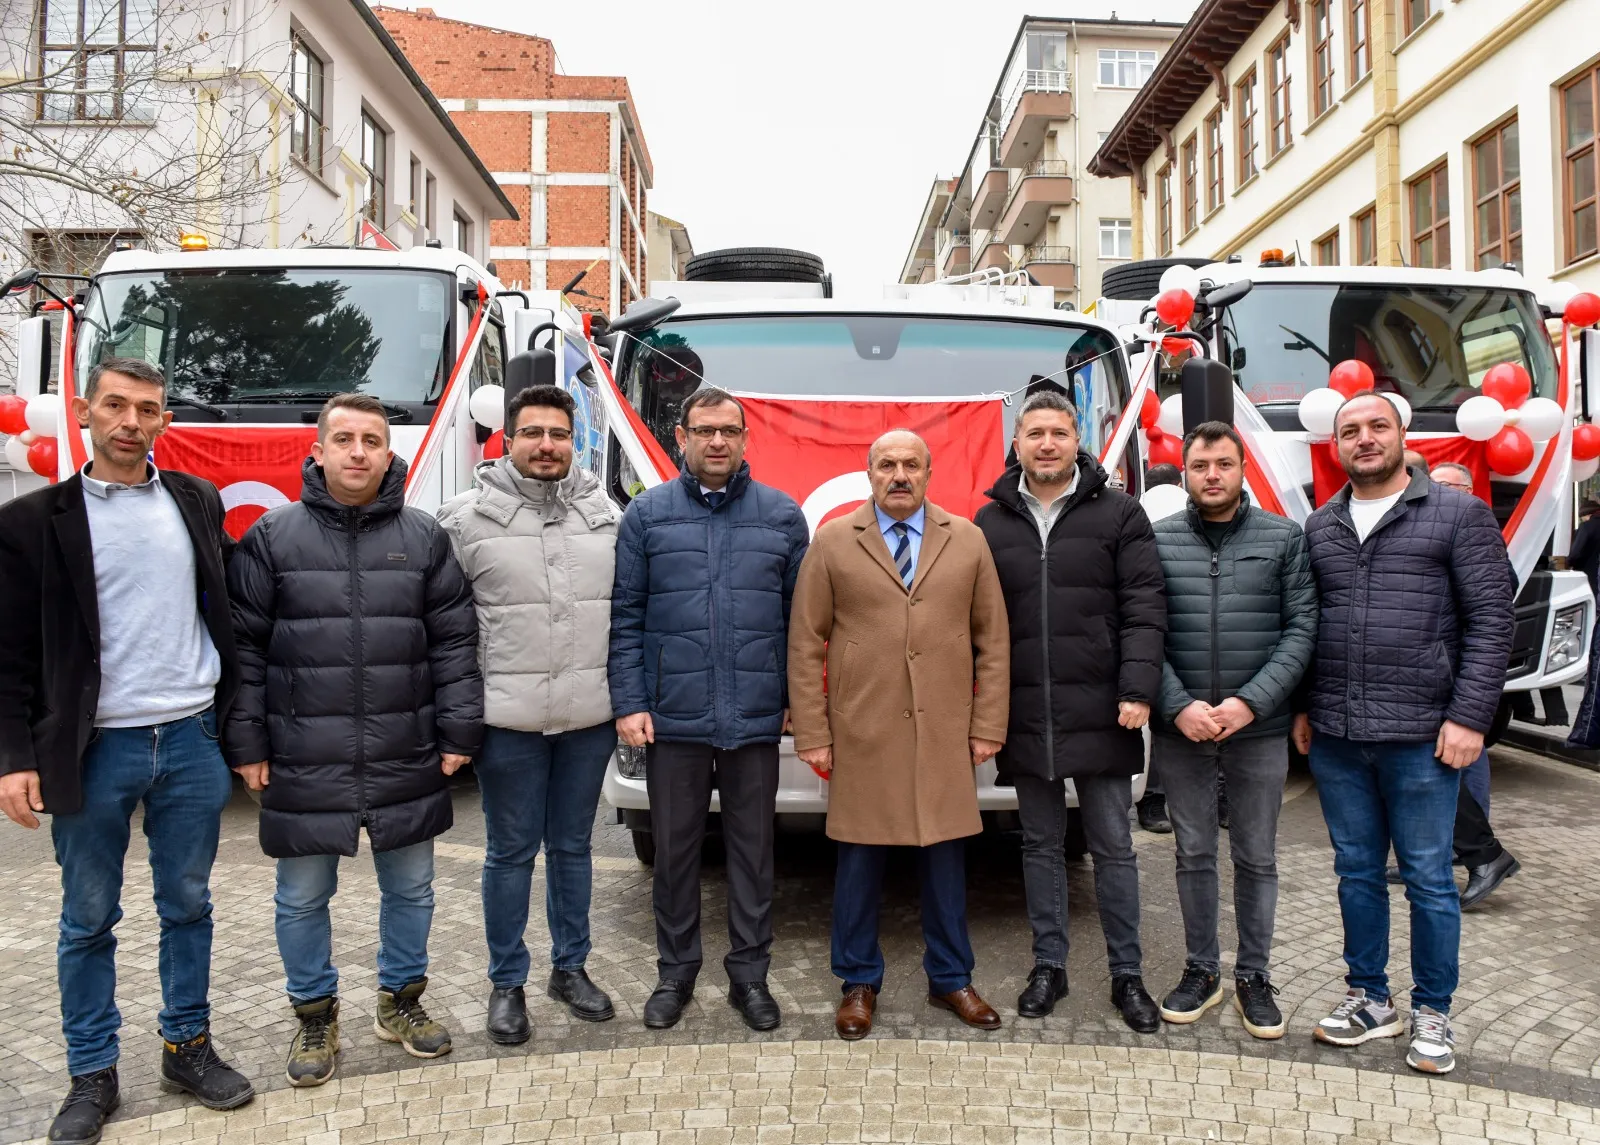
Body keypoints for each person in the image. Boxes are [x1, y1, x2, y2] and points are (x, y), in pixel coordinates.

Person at [0, 357, 255, 1143]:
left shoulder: (194, 500)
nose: (130, 421)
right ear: (85, 410)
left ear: (163, 420)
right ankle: (92, 1071)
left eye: (147, 409)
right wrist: (13, 756)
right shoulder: (33, 519)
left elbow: (226, 614)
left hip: (189, 740)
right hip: (92, 747)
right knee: (86, 917)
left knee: (188, 905)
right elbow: (9, 650)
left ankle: (187, 1046)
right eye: (115, 405)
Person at [226, 393, 482, 1086]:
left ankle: (400, 1002)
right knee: (302, 897)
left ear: (389, 453)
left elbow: (456, 640)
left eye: (372, 439)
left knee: (414, 889)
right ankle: (314, 1013)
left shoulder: (425, 537)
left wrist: (460, 727)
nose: (359, 451)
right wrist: (247, 740)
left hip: (407, 746)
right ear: (318, 451)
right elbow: (244, 650)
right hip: (305, 753)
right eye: (344, 439)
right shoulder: (273, 537)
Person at [1294, 392, 1513, 1075]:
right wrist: (1304, 704)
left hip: (1425, 736)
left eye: (1376, 426)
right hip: (1337, 734)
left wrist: (1471, 716)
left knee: (1427, 878)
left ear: (1402, 433)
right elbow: (1309, 623)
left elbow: (1492, 622)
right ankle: (1369, 998)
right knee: (1356, 872)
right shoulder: (1321, 526)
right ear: (1337, 446)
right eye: (1350, 430)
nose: (1364, 438)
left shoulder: (1457, 514)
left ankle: (1434, 1012)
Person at [790, 430, 1010, 1040]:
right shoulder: (835, 540)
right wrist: (813, 730)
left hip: (944, 731)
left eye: (911, 464)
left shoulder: (967, 539)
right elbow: (805, 644)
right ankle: (858, 981)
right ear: (869, 473)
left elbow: (993, 640)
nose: (899, 474)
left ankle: (951, 978)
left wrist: (988, 723)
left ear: (929, 472)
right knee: (859, 861)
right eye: (887, 464)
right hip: (862, 730)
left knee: (945, 859)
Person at [609, 387, 809, 1032]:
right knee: (675, 853)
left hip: (754, 715)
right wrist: (631, 700)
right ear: (681, 436)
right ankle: (676, 973)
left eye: (729, 430)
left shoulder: (781, 516)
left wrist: (794, 701)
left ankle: (750, 977)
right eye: (704, 430)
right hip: (673, 717)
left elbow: (800, 625)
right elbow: (627, 617)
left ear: (746, 439)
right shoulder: (647, 517)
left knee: (753, 853)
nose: (717, 441)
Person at [974, 391, 1167, 1031]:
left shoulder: (1119, 514)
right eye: (1036, 433)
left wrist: (1137, 689)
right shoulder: (990, 525)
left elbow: (1144, 608)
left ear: (1076, 437)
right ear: (1018, 442)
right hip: (1025, 713)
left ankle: (1127, 975)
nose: (1048, 443)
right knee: (1039, 846)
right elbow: (976, 625)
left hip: (1105, 711)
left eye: (1059, 432)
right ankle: (1048, 967)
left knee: (1113, 848)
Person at [437, 385, 620, 1043]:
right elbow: (441, 629)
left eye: (560, 434)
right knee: (509, 851)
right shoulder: (462, 521)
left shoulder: (605, 514)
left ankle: (569, 968)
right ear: (507, 439)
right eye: (534, 432)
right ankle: (506, 981)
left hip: (586, 719)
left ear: (576, 442)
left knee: (573, 848)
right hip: (505, 723)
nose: (548, 445)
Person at [1151, 422, 1317, 1039]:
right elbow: (1144, 633)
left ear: (1242, 468)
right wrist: (1177, 705)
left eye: (1223, 464)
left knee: (1256, 856)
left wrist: (1251, 703)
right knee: (1192, 851)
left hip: (1259, 729)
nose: (1212, 475)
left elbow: (1301, 632)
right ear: (1185, 473)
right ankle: (1202, 970)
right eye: (1201, 466)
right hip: (1183, 730)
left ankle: (1253, 974)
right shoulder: (1158, 540)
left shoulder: (1284, 540)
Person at [1426, 462, 1520, 908]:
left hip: (1465, 676)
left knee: (1464, 766)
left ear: (1468, 489)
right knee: (1433, 773)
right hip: (1435, 674)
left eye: (1447, 486)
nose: (1438, 494)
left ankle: (1482, 856)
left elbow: (1496, 607)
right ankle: (1447, 856)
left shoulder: (1474, 527)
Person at [1135, 462, 1187, 833]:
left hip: (1148, 631)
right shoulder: (1187, 505)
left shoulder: (1132, 508)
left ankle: (1151, 802)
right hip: (1186, 633)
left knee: (1152, 723)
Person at [1567, 497, 1600, 598]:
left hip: (1589, 575)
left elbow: (1575, 553)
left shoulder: (1586, 527)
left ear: (1587, 514)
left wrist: (1569, 562)